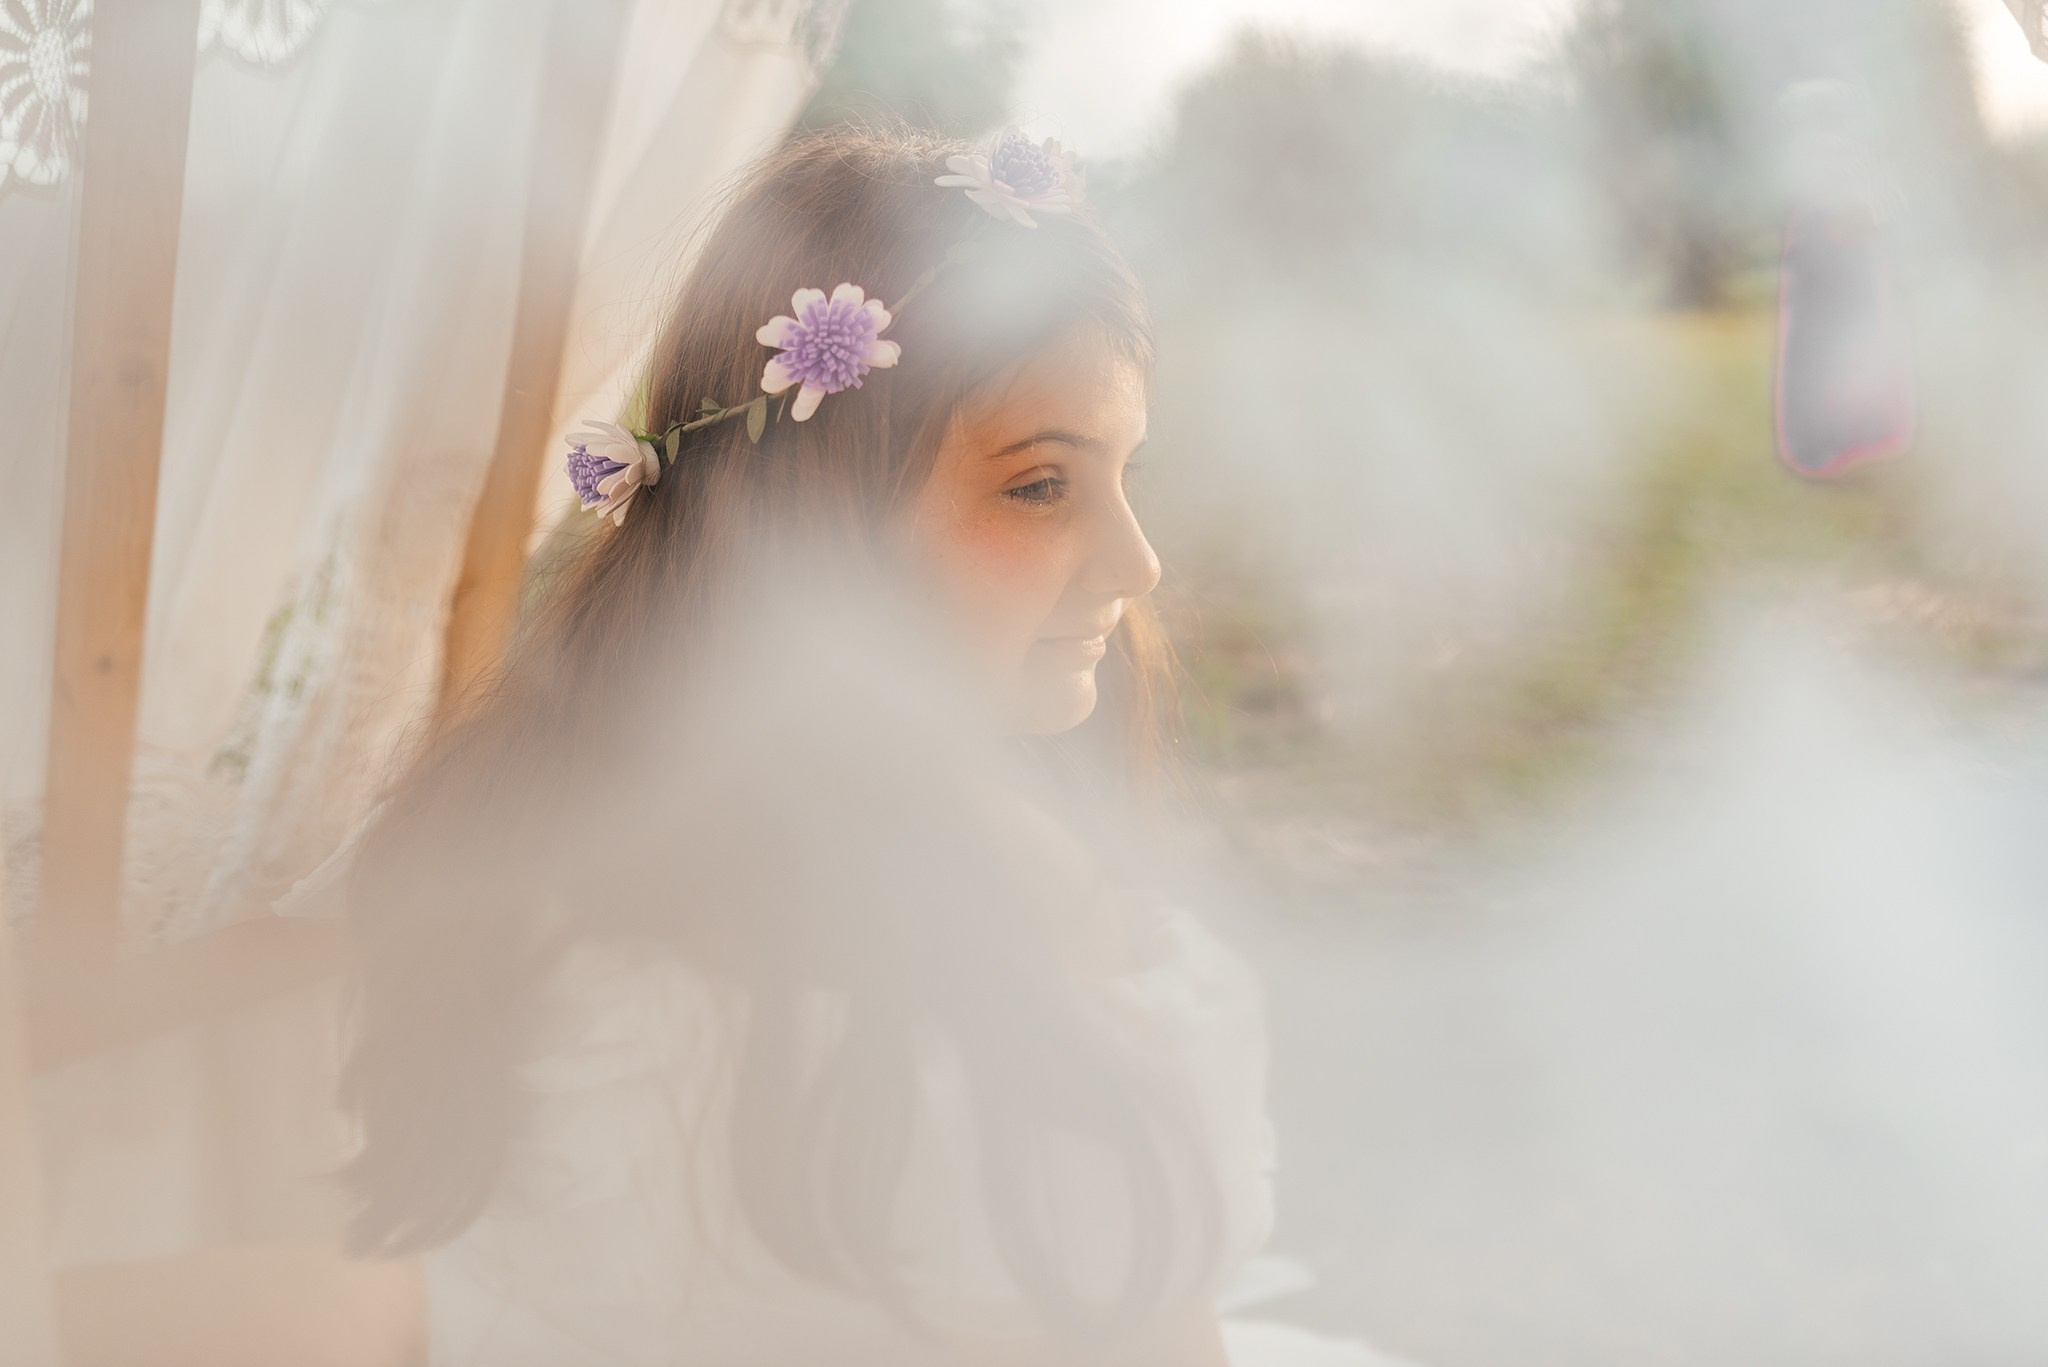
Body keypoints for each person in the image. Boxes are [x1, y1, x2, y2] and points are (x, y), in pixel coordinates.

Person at [340, 123, 1306, 1366]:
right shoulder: (1012, 924)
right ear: (813, 518)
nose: (1139, 562)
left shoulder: (527, 833)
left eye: (1122, 473)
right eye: (1039, 485)